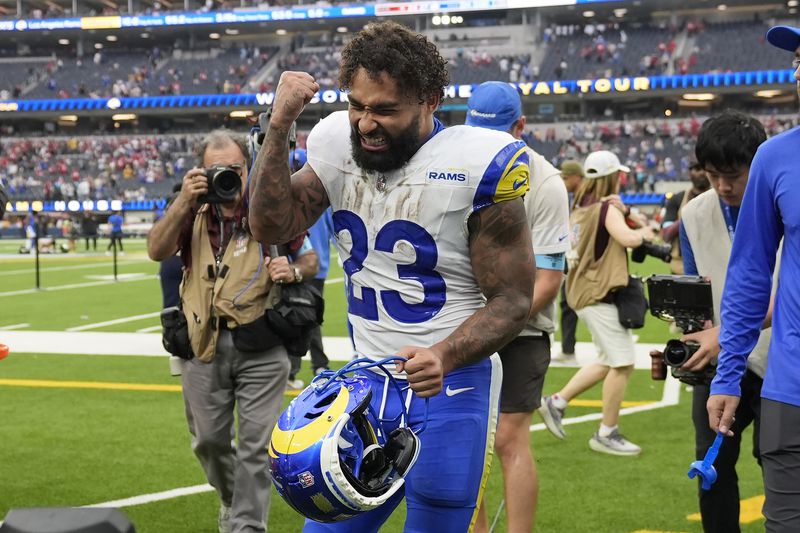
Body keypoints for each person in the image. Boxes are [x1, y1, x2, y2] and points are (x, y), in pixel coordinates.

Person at [248, 21, 535, 532]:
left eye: (384, 109)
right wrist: (278, 127)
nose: (364, 123)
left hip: (451, 382)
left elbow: (513, 300)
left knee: (438, 520)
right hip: (366, 378)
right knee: (328, 525)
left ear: (430, 101)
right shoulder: (337, 141)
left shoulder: (478, 162)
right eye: (357, 105)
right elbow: (271, 223)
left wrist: (443, 354)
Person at [147, 129, 318, 533]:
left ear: (249, 167)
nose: (228, 176)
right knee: (208, 441)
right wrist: (185, 200)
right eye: (215, 169)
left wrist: (291, 270)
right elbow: (156, 250)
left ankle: (245, 525)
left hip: (262, 340)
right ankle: (231, 498)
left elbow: (309, 259)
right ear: (200, 171)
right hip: (201, 342)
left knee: (257, 447)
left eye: (236, 168)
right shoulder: (190, 211)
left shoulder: (267, 206)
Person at [465, 82, 569, 533]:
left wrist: (500, 318)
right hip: (464, 325)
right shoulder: (457, 163)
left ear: (520, 127)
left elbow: (549, 277)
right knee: (468, 444)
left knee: (508, 439)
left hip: (522, 329)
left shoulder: (544, 181)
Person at [708, 25, 800, 532]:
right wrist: (728, 374)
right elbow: (748, 274)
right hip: (791, 390)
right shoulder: (775, 157)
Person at [669, 110, 772, 533]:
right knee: (712, 469)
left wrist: (724, 332)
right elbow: (700, 292)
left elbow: (791, 293)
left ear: (759, 162)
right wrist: (690, 338)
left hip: (781, 359)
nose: (723, 185)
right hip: (723, 364)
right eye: (713, 175)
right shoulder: (694, 214)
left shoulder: (786, 198)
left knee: (781, 465)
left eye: (733, 173)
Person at [539, 150, 654, 456]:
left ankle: (557, 402)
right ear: (611, 177)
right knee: (623, 363)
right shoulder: (606, 207)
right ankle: (607, 432)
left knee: (606, 359)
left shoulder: (578, 206)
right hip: (598, 293)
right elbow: (628, 239)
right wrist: (645, 230)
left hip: (582, 290)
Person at [284, 147, 331, 389]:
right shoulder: (320, 193)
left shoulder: (292, 194)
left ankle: (296, 369)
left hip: (305, 264)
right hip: (316, 264)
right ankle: (316, 365)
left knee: (303, 317)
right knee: (305, 317)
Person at [555, 159, 583, 363]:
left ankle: (568, 350)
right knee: (567, 302)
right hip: (573, 255)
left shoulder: (585, 198)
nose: (563, 181)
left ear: (576, 177)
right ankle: (567, 349)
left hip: (582, 258)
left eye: (566, 177)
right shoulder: (574, 197)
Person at [661, 161, 709, 274]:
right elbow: (666, 234)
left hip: (713, 264)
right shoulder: (677, 199)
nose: (702, 173)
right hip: (681, 267)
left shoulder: (722, 199)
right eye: (697, 169)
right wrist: (688, 216)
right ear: (690, 173)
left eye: (704, 169)